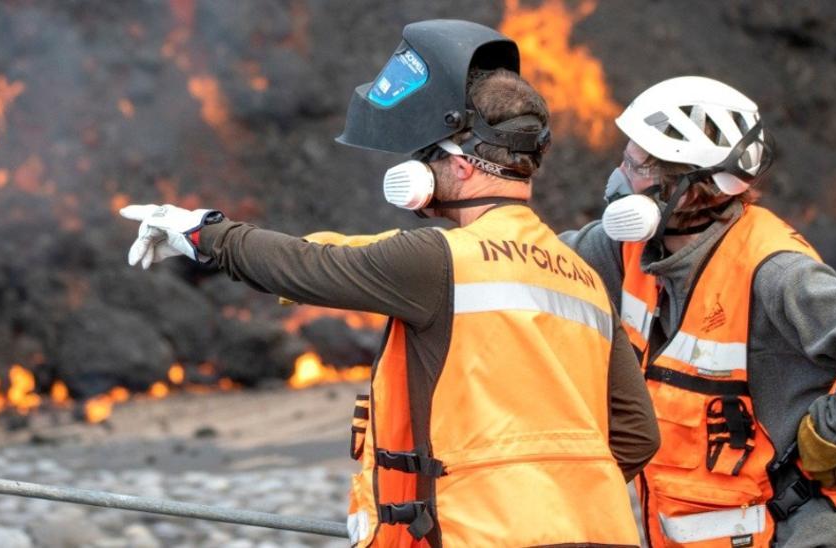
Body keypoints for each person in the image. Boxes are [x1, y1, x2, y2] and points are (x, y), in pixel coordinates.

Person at [120, 19, 658, 548]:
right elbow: (636, 435)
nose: (418, 165)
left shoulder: (436, 258)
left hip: (484, 534)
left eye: (427, 153)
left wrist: (205, 234)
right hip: (600, 532)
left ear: (465, 166)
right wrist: (557, 492)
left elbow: (307, 267)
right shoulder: (580, 277)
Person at [562, 75, 836, 547]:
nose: (618, 177)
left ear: (690, 189)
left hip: (835, 531)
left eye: (636, 165)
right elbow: (543, 265)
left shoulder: (774, 273)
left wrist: (829, 437)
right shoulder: (629, 248)